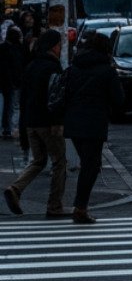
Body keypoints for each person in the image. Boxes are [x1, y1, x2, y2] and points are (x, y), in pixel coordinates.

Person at [61, 29, 126, 224]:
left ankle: (80, 206)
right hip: (94, 123)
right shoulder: (107, 71)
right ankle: (80, 207)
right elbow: (119, 100)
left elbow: (66, 94)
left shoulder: (75, 67)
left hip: (74, 122)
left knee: (87, 164)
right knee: (91, 165)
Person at [4, 29, 67, 218]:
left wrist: (23, 125)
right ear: (53, 47)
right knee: (59, 162)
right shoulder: (53, 68)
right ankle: (54, 205)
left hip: (31, 121)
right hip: (48, 123)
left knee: (38, 160)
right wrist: (58, 121)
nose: (60, 48)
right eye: (58, 45)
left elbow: (23, 98)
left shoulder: (31, 66)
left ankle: (16, 188)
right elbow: (55, 97)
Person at [0, 27, 21, 139]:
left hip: (6, 81)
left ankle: (6, 127)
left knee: (7, 105)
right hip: (10, 81)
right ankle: (7, 128)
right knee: (10, 105)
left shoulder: (4, 48)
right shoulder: (12, 49)